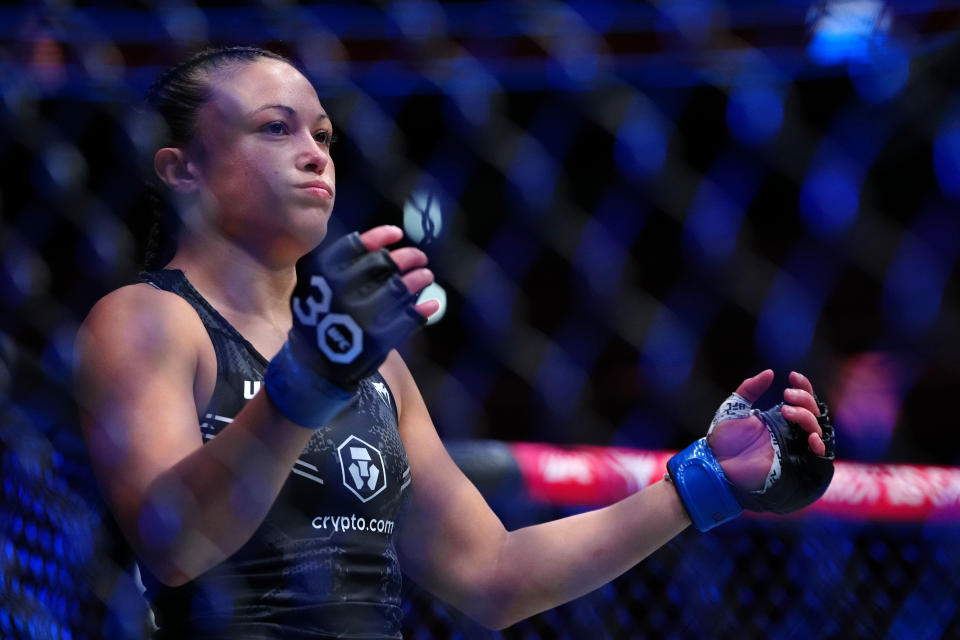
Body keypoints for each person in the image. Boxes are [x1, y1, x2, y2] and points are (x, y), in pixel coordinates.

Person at [74, 46, 835, 639]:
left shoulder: (376, 368)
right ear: (183, 169)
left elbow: (492, 575)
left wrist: (701, 484)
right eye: (275, 127)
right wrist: (306, 383)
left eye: (324, 134)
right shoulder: (148, 319)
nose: (314, 153)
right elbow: (173, 547)